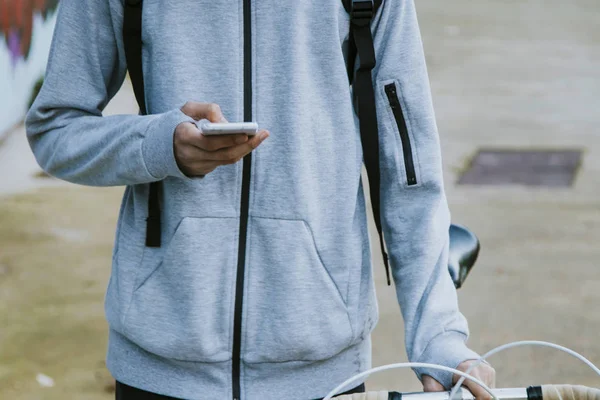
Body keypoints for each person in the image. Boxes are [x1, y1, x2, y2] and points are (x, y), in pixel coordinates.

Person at [25, 1, 495, 399]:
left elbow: (408, 166)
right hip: (158, 367)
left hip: (324, 373)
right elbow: (56, 127)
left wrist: (438, 334)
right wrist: (160, 144)